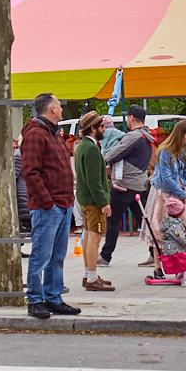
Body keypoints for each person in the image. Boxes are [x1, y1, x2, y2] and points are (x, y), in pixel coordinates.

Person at [21, 93, 82, 320]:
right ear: (51, 109)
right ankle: (35, 300)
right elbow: (30, 171)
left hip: (62, 203)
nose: (62, 109)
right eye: (58, 105)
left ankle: (53, 297)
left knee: (56, 255)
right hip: (49, 205)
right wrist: (47, 201)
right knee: (42, 255)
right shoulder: (37, 134)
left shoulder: (53, 134)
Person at [142, 120, 186, 269]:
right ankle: (158, 267)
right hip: (164, 191)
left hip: (180, 190)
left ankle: (182, 265)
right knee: (161, 230)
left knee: (183, 229)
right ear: (180, 135)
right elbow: (167, 178)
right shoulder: (165, 151)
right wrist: (184, 196)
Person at [100, 104, 155, 266]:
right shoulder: (148, 136)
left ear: (131, 118)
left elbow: (112, 155)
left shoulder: (133, 136)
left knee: (112, 219)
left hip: (124, 186)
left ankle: (105, 256)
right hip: (140, 184)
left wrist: (105, 152)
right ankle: (155, 253)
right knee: (144, 221)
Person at [74, 112, 113, 292]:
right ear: (93, 128)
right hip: (93, 201)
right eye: (101, 126)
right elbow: (94, 180)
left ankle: (88, 274)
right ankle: (91, 277)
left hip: (85, 199)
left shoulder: (82, 146)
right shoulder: (90, 148)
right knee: (94, 237)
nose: (103, 129)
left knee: (87, 236)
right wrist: (104, 202)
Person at [159, 196, 186, 286]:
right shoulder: (175, 226)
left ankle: (181, 275)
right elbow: (181, 239)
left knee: (185, 260)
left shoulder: (167, 222)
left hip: (171, 249)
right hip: (175, 250)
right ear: (180, 213)